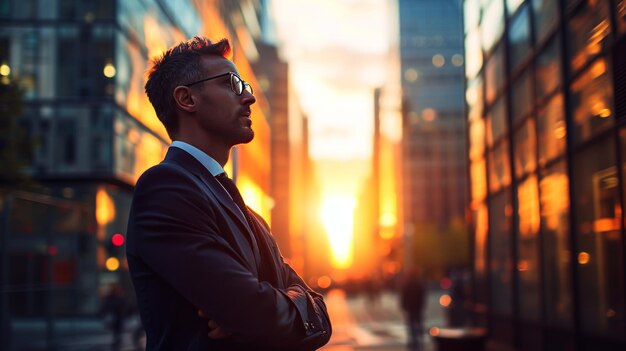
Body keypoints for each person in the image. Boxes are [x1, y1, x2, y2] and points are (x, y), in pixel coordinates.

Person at [126, 36, 331, 350]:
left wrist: (280, 305)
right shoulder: (165, 189)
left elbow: (321, 318)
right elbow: (253, 313)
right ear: (187, 99)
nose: (248, 98)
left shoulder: (252, 216)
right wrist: (290, 302)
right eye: (231, 84)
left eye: (245, 86)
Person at [400, 268, 427, 350]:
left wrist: (404, 306)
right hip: (417, 307)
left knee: (411, 324)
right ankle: (419, 339)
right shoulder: (419, 283)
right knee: (418, 323)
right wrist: (422, 305)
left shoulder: (407, 284)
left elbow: (403, 296)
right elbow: (423, 295)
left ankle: (413, 341)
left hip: (410, 307)